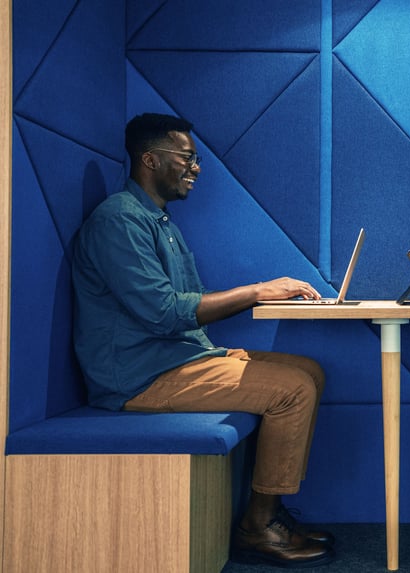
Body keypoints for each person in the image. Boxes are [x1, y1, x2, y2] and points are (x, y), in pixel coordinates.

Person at [72, 113, 335, 568]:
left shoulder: (160, 223)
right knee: (294, 390)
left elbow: (181, 306)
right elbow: (162, 312)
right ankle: (258, 527)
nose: (196, 168)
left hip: (174, 358)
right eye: (187, 158)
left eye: (197, 159)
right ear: (150, 159)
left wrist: (215, 348)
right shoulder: (119, 220)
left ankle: (270, 512)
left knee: (310, 369)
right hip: (138, 376)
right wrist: (257, 291)